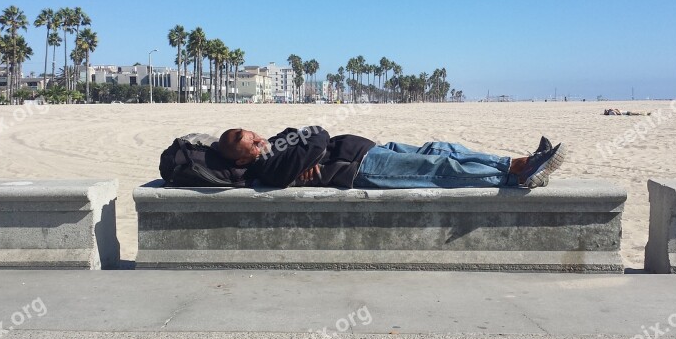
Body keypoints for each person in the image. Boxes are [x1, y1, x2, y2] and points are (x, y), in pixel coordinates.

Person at [217, 126, 566, 190]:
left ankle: (516, 162)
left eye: (255, 135)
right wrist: (308, 143)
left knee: (440, 149)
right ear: (243, 161)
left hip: (370, 149)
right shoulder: (271, 167)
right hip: (363, 168)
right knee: (439, 169)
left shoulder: (276, 146)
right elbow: (318, 135)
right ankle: (517, 176)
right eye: (251, 144)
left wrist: (309, 141)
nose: (260, 141)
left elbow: (312, 131)